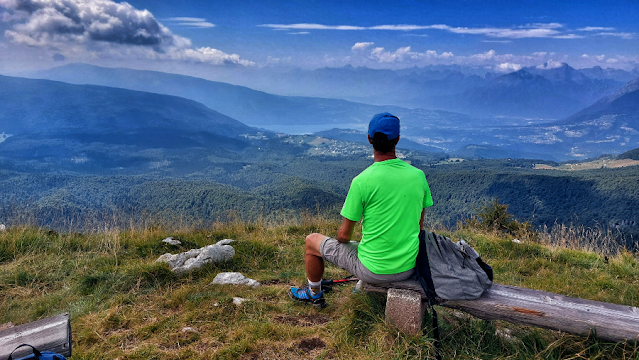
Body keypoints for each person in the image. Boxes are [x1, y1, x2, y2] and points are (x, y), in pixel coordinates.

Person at [289, 112, 433, 307]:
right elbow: (419, 225)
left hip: (373, 270)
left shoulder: (362, 181)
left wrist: (343, 237)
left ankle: (314, 293)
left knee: (311, 241)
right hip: (408, 266)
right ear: (398, 139)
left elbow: (343, 237)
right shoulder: (418, 176)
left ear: (369, 139)